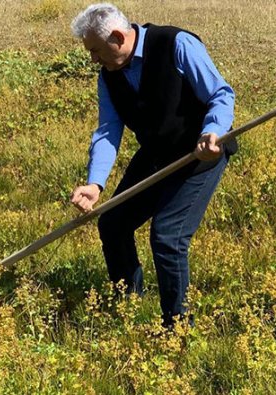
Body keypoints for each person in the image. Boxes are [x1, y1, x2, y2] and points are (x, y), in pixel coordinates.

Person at [69, 3, 236, 328]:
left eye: (96, 51)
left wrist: (212, 132)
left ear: (118, 37)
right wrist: (95, 184)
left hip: (200, 152)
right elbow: (108, 130)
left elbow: (221, 94)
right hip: (158, 152)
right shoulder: (109, 76)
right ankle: (129, 309)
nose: (93, 60)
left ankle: (177, 329)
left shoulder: (176, 44)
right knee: (113, 223)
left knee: (168, 236)